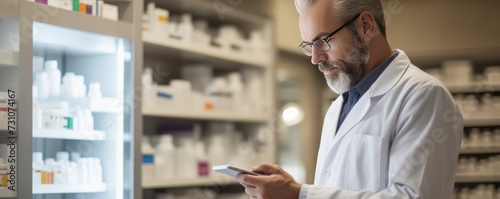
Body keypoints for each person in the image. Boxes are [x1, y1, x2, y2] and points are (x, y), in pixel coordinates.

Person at [235, 0, 463, 198]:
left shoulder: (423, 95)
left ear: (365, 26)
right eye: (309, 46)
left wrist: (300, 194)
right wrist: (293, 189)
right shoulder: (337, 108)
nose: (315, 59)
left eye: (323, 41)